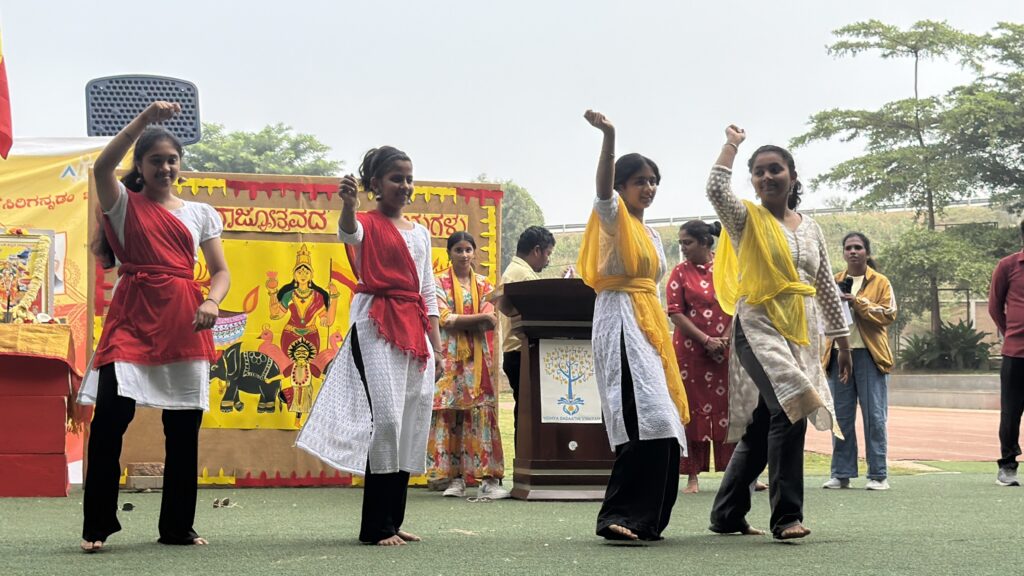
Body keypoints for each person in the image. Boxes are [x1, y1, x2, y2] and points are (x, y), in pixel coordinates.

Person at [78, 101, 230, 552]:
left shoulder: (200, 212)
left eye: (171, 160)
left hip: (185, 320)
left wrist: (211, 299)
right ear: (139, 168)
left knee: (182, 431)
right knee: (109, 422)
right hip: (132, 319)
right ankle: (97, 527)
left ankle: (177, 528)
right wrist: (144, 120)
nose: (165, 167)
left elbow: (220, 271)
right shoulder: (122, 203)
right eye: (155, 160)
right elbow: (103, 165)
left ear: (179, 165)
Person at [706, 125, 851, 541]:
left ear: (792, 175)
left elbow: (824, 284)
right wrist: (732, 146)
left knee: (763, 422)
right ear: (752, 180)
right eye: (759, 172)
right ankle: (787, 517)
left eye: (776, 169)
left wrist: (841, 342)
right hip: (757, 325)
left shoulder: (810, 227)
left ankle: (727, 513)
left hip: (801, 328)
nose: (768, 177)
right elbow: (716, 189)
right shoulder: (744, 220)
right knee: (792, 406)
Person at [295, 146, 444, 546]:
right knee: (388, 420)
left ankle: (392, 521)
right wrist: (348, 204)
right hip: (375, 321)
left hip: (414, 327)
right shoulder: (364, 222)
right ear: (375, 185)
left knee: (411, 418)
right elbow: (349, 233)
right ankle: (375, 527)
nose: (406, 186)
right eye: (397, 178)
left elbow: (427, 289)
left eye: (409, 178)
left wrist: (438, 344)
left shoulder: (422, 234)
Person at [578, 110, 688, 542]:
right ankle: (616, 517)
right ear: (622, 187)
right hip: (620, 320)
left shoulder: (655, 236)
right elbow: (601, 188)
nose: (649, 187)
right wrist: (610, 137)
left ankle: (649, 520)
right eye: (640, 180)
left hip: (649, 324)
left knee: (663, 422)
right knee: (639, 417)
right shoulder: (612, 220)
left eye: (653, 180)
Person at [427, 231, 509, 499]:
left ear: (475, 253)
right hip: (450, 360)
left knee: (482, 414)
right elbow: (444, 319)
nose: (464, 255)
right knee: (452, 416)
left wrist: (463, 319)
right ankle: (455, 479)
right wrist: (475, 319)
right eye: (458, 250)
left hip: (478, 360)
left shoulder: (485, 284)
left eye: (468, 250)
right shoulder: (438, 282)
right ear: (449, 253)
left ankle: (489, 480)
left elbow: (491, 318)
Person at [822, 233, 896, 491]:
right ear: (843, 253)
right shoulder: (834, 281)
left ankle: (877, 474)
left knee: (874, 416)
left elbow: (889, 314)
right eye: (848, 248)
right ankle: (841, 473)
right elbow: (824, 316)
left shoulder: (880, 282)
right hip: (838, 356)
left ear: (866, 252)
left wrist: (858, 302)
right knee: (840, 418)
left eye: (858, 247)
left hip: (869, 356)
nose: (853, 252)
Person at [666, 220, 735, 494]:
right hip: (691, 354)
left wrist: (724, 339)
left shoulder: (727, 269)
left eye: (687, 242)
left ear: (705, 242)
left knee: (730, 411)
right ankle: (691, 476)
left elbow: (737, 304)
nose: (682, 248)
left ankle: (735, 473)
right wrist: (705, 340)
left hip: (724, 352)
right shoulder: (679, 273)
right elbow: (675, 312)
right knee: (690, 411)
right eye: (681, 242)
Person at [495, 225, 555, 447]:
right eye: (547, 254)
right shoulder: (522, 274)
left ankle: (525, 456)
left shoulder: (515, 270)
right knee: (528, 410)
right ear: (537, 250)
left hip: (517, 351)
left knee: (526, 408)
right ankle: (527, 455)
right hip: (522, 352)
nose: (547, 260)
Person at [988, 220, 1024, 487]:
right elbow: (994, 306)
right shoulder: (1008, 266)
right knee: (1010, 413)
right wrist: (1010, 331)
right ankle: (1008, 466)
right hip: (1016, 354)